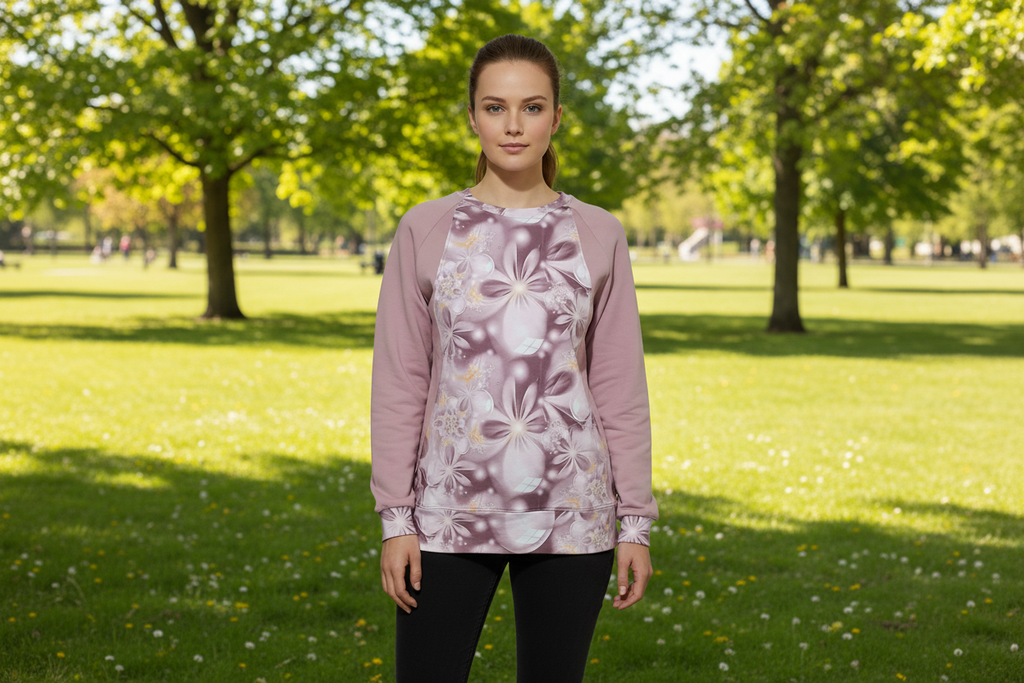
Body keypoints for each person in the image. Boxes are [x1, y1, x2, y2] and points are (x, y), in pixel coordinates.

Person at [369, 34, 658, 683]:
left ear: (556, 117)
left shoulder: (597, 231)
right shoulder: (426, 228)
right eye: (495, 107)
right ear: (472, 116)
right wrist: (396, 516)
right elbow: (400, 380)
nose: (513, 124)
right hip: (446, 512)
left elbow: (618, 383)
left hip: (571, 513)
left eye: (532, 107)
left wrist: (634, 520)